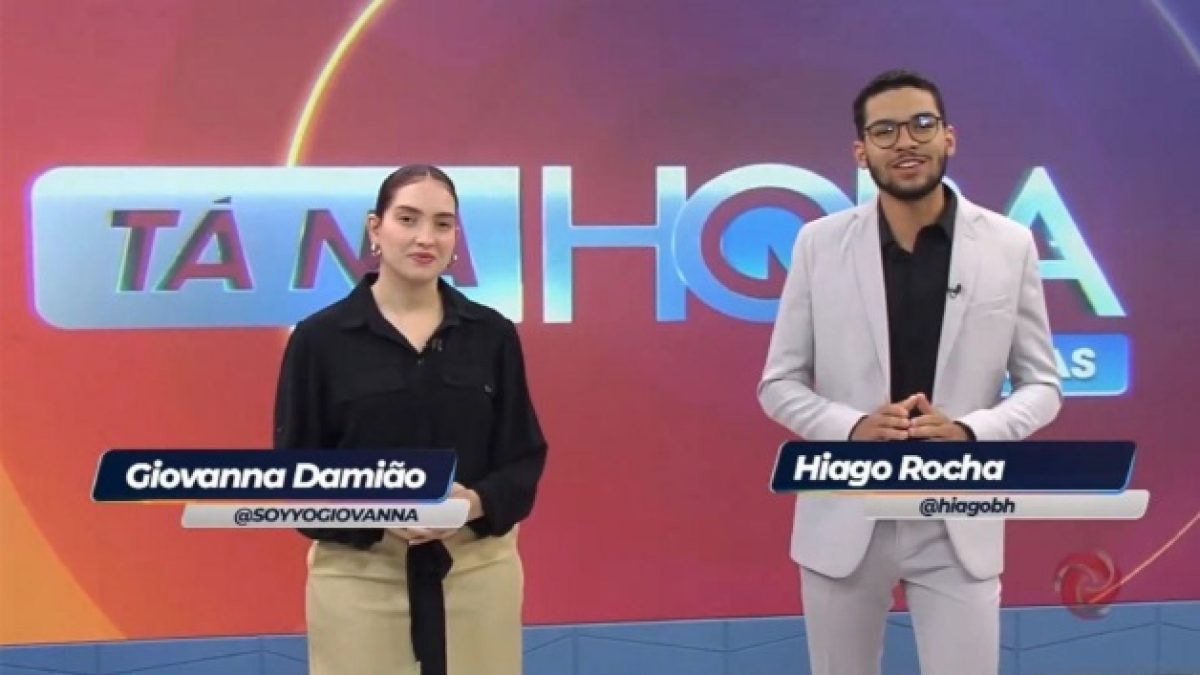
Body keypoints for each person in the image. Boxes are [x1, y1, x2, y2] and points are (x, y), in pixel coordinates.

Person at [757, 70, 1062, 675]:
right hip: (845, 516)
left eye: (922, 124)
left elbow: (1042, 386)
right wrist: (852, 427)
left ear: (949, 137)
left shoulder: (1008, 245)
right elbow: (779, 384)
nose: (905, 142)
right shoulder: (819, 244)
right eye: (885, 130)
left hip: (957, 519)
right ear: (861, 151)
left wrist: (971, 432)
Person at [273, 164, 548, 675]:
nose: (426, 237)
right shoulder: (319, 340)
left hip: (477, 570)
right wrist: (375, 507)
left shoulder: (491, 335)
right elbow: (294, 477)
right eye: (408, 219)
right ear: (375, 229)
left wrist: (471, 504)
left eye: (443, 224)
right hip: (360, 575)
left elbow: (522, 459)